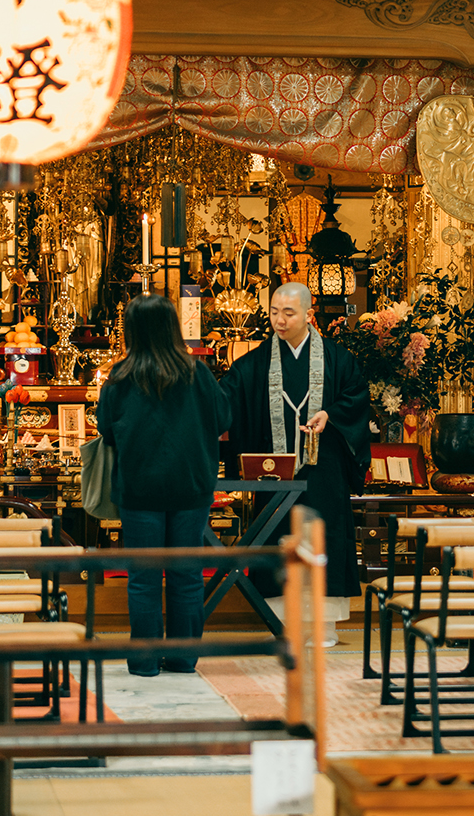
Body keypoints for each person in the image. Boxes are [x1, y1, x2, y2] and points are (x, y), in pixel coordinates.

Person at [223, 281, 370, 643]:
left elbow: (357, 398)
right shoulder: (254, 364)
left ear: (308, 313)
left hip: (324, 471)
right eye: (274, 312)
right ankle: (281, 622)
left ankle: (324, 625)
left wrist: (331, 414)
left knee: (324, 539)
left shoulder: (338, 358)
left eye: (288, 313)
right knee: (277, 538)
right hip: (274, 474)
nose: (279, 320)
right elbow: (227, 399)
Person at [97, 294, 231, 676]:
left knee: (143, 575)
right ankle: (183, 657)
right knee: (186, 574)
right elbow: (223, 417)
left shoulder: (121, 377)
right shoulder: (197, 372)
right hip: (191, 486)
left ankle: (144, 660)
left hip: (139, 490)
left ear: (131, 330)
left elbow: (106, 429)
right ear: (174, 326)